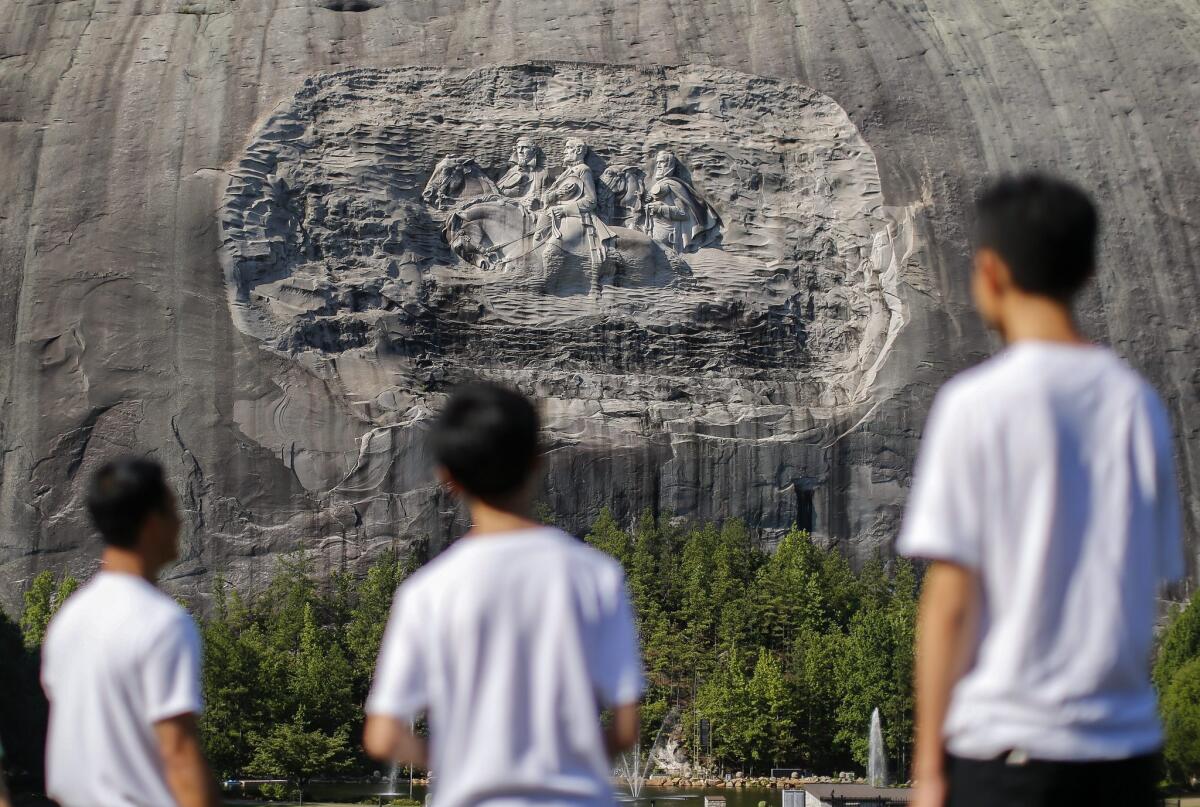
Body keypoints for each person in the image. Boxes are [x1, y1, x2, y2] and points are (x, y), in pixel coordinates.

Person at [899, 174, 1183, 807]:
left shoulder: (975, 404)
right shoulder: (1137, 405)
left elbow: (949, 602)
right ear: (1086, 273)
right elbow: (1151, 578)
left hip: (1007, 749)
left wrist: (928, 771)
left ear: (990, 273)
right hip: (1124, 751)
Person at [363, 381, 644, 807]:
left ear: (447, 476)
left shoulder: (426, 592)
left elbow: (382, 736)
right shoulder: (596, 575)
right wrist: (569, 766)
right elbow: (626, 730)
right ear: (537, 461)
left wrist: (465, 766)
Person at [41, 458, 219, 807]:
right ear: (153, 523)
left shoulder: (68, 620)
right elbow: (178, 753)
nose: (181, 522)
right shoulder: (161, 621)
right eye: (173, 511)